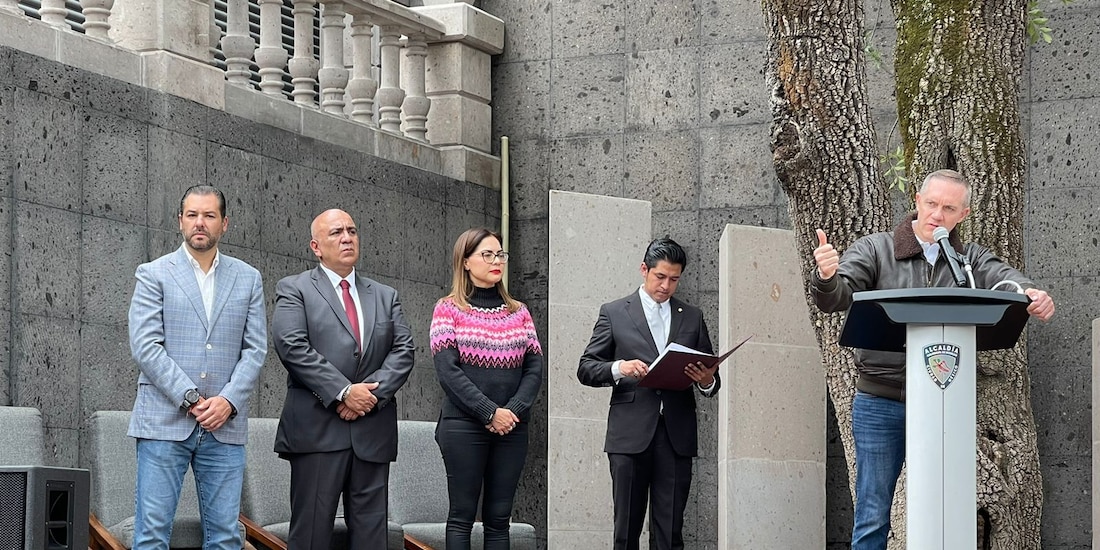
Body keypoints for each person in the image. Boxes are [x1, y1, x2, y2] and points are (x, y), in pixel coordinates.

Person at [810, 169, 1055, 549]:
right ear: (917, 200)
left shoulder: (968, 262)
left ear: (964, 214)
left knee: (948, 507)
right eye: (931, 203)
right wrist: (827, 277)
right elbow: (836, 298)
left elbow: (1006, 280)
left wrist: (1031, 293)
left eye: (949, 208)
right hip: (880, 401)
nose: (937, 214)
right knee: (873, 511)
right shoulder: (876, 249)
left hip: (944, 402)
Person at [127, 184, 267, 549]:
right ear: (180, 222)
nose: (199, 223)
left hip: (225, 425)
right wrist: (190, 398)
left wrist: (228, 401)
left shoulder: (248, 278)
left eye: (209, 215)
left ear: (225, 224)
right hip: (163, 422)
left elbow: (254, 349)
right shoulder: (153, 273)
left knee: (224, 538)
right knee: (152, 536)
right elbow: (146, 346)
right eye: (192, 215)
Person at [272, 208, 415, 549]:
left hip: (372, 431)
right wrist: (343, 391)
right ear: (316, 246)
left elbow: (404, 351)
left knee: (372, 538)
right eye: (336, 233)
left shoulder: (385, 295)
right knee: (311, 537)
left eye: (352, 230)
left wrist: (368, 398)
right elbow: (291, 346)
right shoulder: (295, 288)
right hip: (317, 432)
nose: (347, 237)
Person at [577, 237, 721, 550]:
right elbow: (586, 368)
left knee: (670, 533)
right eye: (660, 277)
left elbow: (711, 376)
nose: (667, 286)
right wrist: (620, 368)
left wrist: (707, 380)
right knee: (626, 531)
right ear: (644, 269)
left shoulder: (692, 316)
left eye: (674, 279)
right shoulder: (614, 312)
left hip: (675, 435)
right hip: (629, 435)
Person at [429, 228, 544, 549]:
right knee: (462, 517)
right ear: (465, 262)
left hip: (513, 428)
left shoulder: (519, 312)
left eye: (500, 255)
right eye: (487, 255)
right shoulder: (447, 308)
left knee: (498, 520)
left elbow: (534, 368)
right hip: (464, 426)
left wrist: (513, 412)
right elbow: (448, 372)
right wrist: (489, 412)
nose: (497, 261)